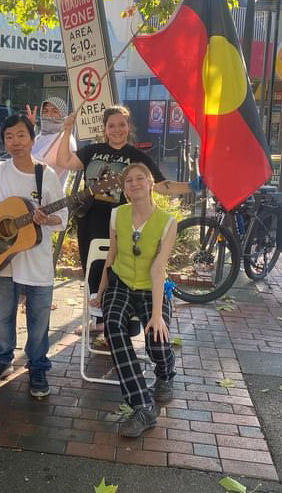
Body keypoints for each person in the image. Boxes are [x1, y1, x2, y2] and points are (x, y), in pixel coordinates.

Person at [56, 105, 197, 329]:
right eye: (111, 125)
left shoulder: (137, 156)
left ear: (128, 127)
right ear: (104, 128)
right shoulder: (93, 151)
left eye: (121, 124)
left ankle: (119, 322)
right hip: (89, 220)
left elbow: (162, 186)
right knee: (92, 269)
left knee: (116, 268)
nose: (117, 129)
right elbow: (64, 161)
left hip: (122, 220)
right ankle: (99, 320)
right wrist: (67, 130)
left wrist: (192, 186)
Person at [0, 115, 67, 398]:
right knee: (4, 316)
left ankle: (38, 366)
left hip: (37, 262)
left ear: (32, 139)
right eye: (9, 136)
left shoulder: (47, 175)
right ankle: (2, 360)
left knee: (38, 319)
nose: (15, 142)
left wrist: (48, 218)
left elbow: (64, 217)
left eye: (21, 135)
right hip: (2, 259)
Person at [91, 163, 177, 437]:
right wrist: (101, 292)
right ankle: (142, 406)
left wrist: (155, 314)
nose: (134, 183)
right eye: (128, 180)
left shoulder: (167, 223)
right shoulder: (117, 215)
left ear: (150, 184)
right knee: (113, 325)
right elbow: (111, 256)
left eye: (140, 178)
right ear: (124, 187)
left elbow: (158, 269)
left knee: (156, 337)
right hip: (121, 283)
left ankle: (165, 373)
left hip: (151, 287)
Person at [27, 97, 77, 188]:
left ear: (63, 115)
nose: (49, 115)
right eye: (45, 111)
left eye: (55, 111)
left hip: (48, 198)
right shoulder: (40, 136)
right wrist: (29, 130)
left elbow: (32, 166)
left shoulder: (64, 138)